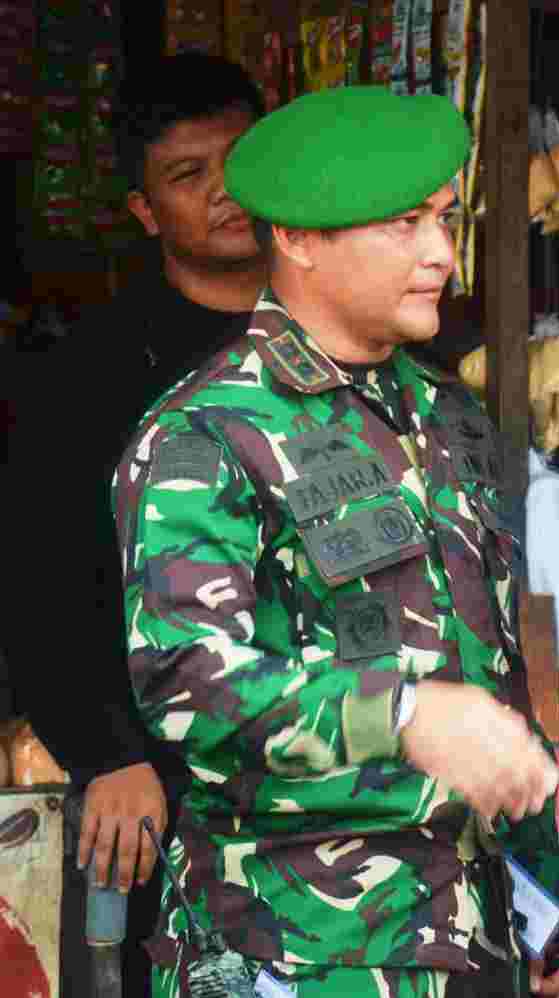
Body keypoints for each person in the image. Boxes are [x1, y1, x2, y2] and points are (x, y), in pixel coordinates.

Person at [111, 85, 559, 998]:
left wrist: (537, 901)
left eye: (442, 218)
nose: (441, 254)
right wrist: (402, 713)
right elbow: (188, 689)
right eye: (402, 225)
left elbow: (491, 667)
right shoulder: (207, 432)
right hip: (297, 951)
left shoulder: (448, 416)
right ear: (300, 240)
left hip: (471, 936)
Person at [1, 52, 266, 998]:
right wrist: (107, 750)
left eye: (239, 161)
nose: (225, 194)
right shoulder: (92, 373)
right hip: (161, 779)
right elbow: (43, 574)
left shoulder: (340, 330)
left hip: (329, 771)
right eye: (188, 176)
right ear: (147, 213)